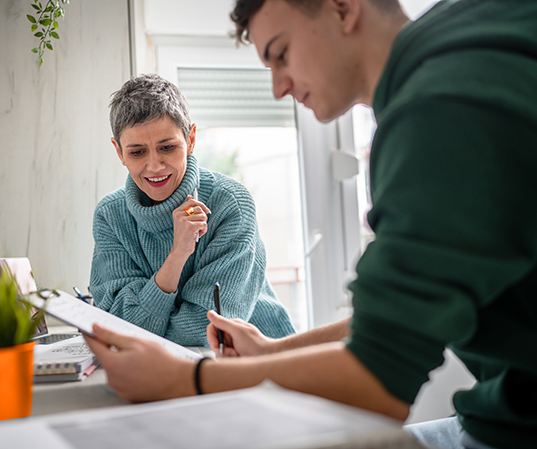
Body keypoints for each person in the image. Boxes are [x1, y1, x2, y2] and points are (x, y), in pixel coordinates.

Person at [85, 1, 537, 448]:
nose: (278, 88)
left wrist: (185, 377)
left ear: (342, 8)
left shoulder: (432, 117)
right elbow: (397, 320)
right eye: (137, 152)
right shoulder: (478, 27)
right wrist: (275, 349)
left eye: (281, 53)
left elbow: (378, 380)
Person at [90, 73, 295, 347]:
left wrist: (144, 324)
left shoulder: (229, 203)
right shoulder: (110, 216)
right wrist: (178, 255)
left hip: (257, 363)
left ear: (191, 139)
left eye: (167, 147)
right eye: (137, 152)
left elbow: (207, 330)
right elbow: (117, 326)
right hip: (158, 369)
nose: (154, 166)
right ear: (119, 152)